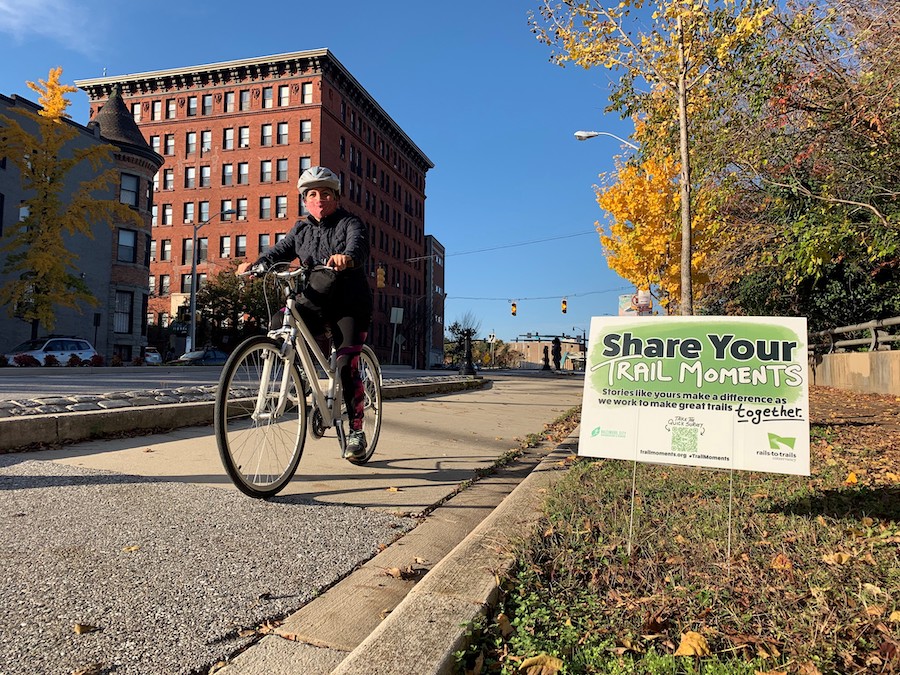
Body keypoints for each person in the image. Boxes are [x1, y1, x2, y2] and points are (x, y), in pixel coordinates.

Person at [238, 166, 374, 460]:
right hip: (316, 297)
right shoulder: (301, 229)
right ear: (304, 200)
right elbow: (279, 252)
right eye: (312, 194)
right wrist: (256, 265)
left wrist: (347, 258)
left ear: (335, 197)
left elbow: (359, 246)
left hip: (350, 303)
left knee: (346, 362)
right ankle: (299, 374)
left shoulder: (350, 223)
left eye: (325, 193)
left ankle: (357, 431)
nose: (319, 199)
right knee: (279, 321)